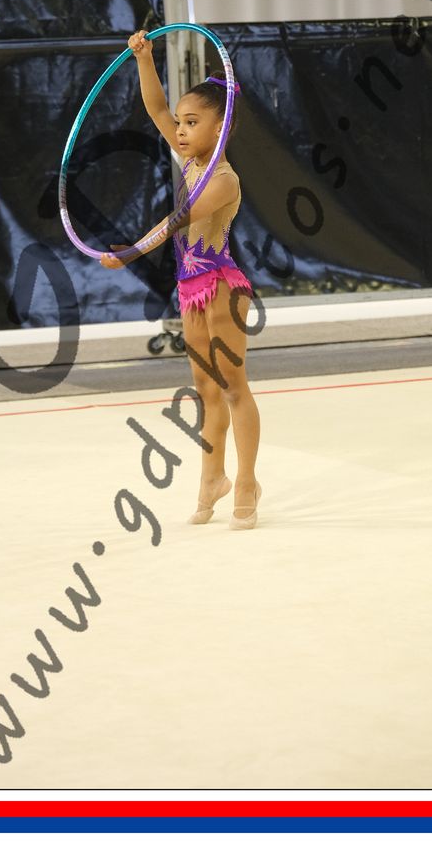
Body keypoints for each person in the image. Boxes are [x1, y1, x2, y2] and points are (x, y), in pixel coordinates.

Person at [100, 30, 262, 530]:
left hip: (223, 288)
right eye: (182, 122)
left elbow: (178, 221)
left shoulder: (223, 179)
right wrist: (144, 59)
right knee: (205, 389)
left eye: (192, 123)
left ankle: (248, 480)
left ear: (221, 127)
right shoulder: (191, 159)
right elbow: (155, 109)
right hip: (191, 290)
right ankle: (212, 478)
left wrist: (131, 252)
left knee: (233, 387)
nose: (182, 130)